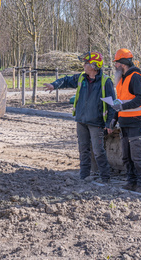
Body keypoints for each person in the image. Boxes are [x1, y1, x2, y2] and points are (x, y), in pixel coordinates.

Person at [44, 52, 115, 183]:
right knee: (83, 150)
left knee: (98, 151)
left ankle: (106, 178)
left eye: (86, 63)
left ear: (94, 66)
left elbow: (112, 104)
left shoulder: (106, 82)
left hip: (96, 122)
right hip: (81, 120)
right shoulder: (82, 78)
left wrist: (110, 123)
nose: (83, 65)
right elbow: (66, 80)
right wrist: (54, 85)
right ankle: (84, 176)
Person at [111, 48, 141, 194]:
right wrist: (114, 119)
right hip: (124, 122)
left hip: (137, 122)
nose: (115, 66)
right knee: (126, 156)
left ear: (122, 63)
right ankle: (131, 181)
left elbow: (140, 98)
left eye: (116, 63)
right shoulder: (122, 79)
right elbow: (119, 102)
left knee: (137, 156)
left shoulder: (135, 76)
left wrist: (122, 106)